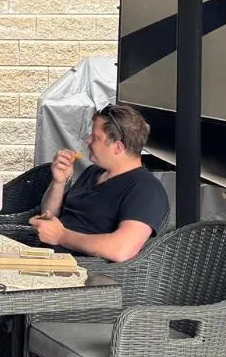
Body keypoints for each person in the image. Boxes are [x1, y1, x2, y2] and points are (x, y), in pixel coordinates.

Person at [28, 103, 166, 263]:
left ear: (118, 147)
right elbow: (50, 214)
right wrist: (58, 182)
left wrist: (61, 236)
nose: (88, 140)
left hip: (79, 271)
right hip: (44, 256)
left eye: (95, 137)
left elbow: (122, 249)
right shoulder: (93, 172)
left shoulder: (145, 190)